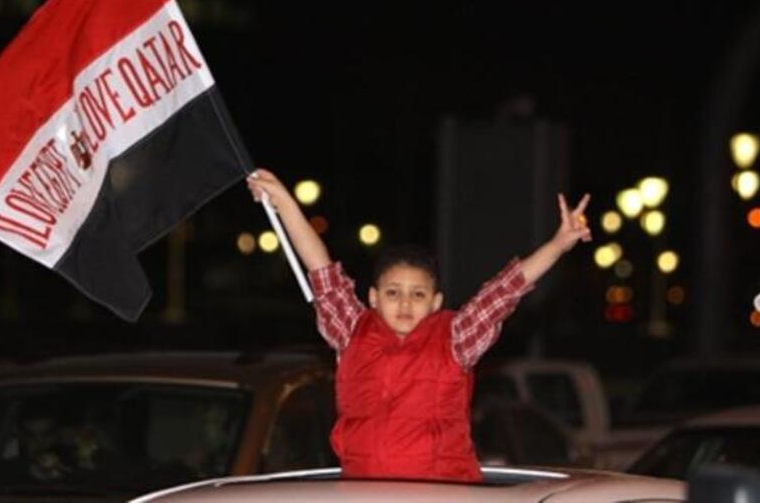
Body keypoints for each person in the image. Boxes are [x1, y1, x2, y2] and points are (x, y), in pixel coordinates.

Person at [247, 169, 591, 483]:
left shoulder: (456, 338)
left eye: (418, 294)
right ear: (374, 297)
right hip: (361, 492)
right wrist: (286, 205)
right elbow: (320, 268)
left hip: (441, 492)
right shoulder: (351, 331)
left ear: (436, 302)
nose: (406, 303)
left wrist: (559, 243)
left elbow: (504, 291)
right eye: (394, 293)